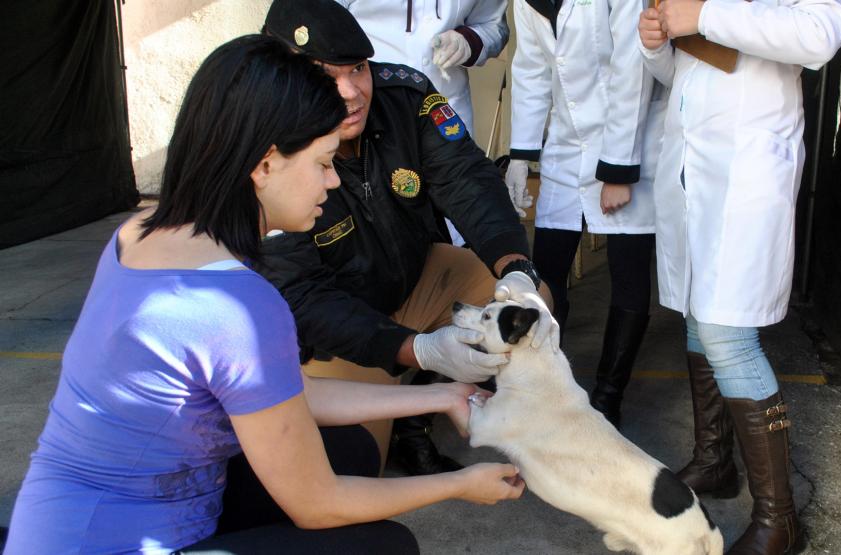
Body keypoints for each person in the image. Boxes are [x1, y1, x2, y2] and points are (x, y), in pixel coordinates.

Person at [4, 35, 525, 555]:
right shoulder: (237, 308)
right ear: (266, 164)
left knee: (350, 450)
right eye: (323, 163)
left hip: (52, 528)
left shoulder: (140, 233)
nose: (329, 182)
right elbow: (317, 504)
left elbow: (285, 395)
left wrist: (440, 392)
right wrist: (460, 485)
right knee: (383, 546)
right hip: (121, 546)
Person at [258, 0, 557, 477]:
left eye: (358, 68)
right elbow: (300, 296)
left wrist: (516, 267)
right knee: (351, 469)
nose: (352, 92)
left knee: (528, 300)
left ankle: (426, 421)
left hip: (415, 279)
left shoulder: (404, 96)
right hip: (339, 330)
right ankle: (403, 403)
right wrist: (416, 349)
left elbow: (468, 180)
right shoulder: (264, 144)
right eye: (327, 75)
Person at [638, 0, 841, 553]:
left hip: (750, 163)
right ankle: (714, 462)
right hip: (690, 162)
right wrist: (656, 43)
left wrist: (701, 13)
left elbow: (819, 35)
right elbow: (683, 73)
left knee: (726, 331)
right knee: (693, 311)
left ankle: (780, 521)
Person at [505, 0, 665, 427]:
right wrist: (521, 154)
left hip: (628, 143)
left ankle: (608, 398)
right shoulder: (525, 2)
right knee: (548, 272)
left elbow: (633, 70)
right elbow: (532, 70)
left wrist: (617, 170)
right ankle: (543, 388)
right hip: (565, 147)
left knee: (627, 274)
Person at [334, 0, 510, 248]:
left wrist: (469, 41)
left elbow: (496, 27)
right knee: (384, 232)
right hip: (374, 109)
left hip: (444, 104)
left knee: (462, 211)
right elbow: (319, 25)